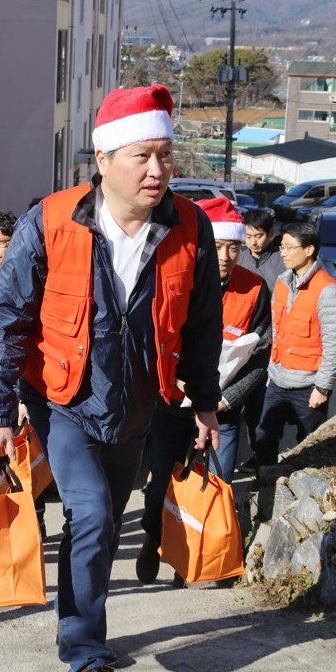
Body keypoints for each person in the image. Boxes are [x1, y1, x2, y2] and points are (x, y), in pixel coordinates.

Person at [0, 84, 223, 672]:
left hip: (139, 407)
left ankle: (76, 622)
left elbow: (201, 325)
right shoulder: (50, 224)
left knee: (104, 524)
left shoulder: (189, 228)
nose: (157, 170)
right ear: (103, 158)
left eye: (166, 155)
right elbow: (5, 322)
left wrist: (205, 401)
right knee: (90, 516)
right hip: (63, 404)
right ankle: (88, 661)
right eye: (142, 155)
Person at [137, 197, 271, 585]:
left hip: (223, 411)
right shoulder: (173, 279)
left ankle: (190, 557)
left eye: (234, 247)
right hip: (173, 405)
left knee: (215, 485)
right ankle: (153, 538)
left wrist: (225, 399)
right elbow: (154, 340)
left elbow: (261, 359)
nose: (226, 256)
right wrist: (176, 381)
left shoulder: (256, 289)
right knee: (161, 481)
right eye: (217, 247)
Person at [255, 222, 336, 467]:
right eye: (282, 247)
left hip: (309, 386)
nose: (282, 253)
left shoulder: (327, 291)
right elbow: (277, 331)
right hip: (277, 380)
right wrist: (272, 370)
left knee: (308, 445)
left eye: (288, 247)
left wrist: (323, 388)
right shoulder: (283, 283)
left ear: (309, 250)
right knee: (264, 438)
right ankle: (264, 485)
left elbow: (334, 346)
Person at [236, 207, 286, 471]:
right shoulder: (239, 259)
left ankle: (266, 458)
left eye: (259, 236)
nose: (253, 241)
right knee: (245, 405)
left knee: (263, 406)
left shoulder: (282, 262)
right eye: (249, 236)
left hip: (272, 343)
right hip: (241, 343)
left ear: (271, 234)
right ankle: (256, 454)